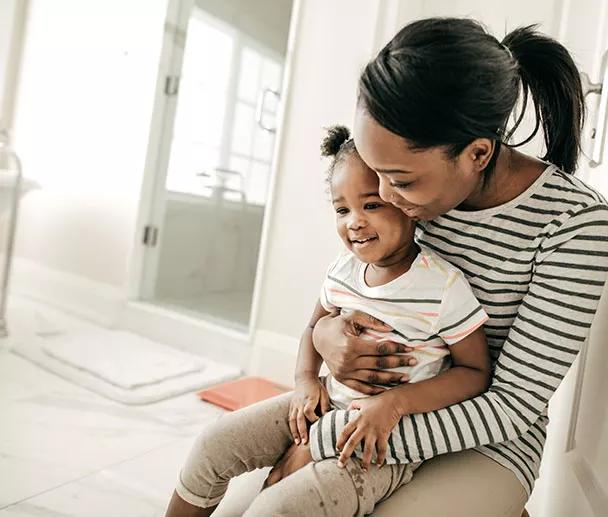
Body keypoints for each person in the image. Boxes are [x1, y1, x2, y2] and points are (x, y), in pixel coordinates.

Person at [265, 18, 608, 516]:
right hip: (360, 408)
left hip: (484, 438)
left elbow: (511, 405)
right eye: (375, 173)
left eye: (400, 181)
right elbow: (342, 297)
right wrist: (325, 338)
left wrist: (326, 441)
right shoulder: (414, 198)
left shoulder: (575, 224)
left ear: (477, 154)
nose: (383, 198)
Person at [165, 125, 494, 516]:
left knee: (278, 507)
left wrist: (393, 404)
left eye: (371, 205)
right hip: (322, 404)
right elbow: (312, 329)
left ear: (405, 202)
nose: (354, 221)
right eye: (342, 209)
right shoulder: (342, 270)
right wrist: (305, 381)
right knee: (213, 443)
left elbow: (475, 371)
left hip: (380, 444)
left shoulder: (442, 286)